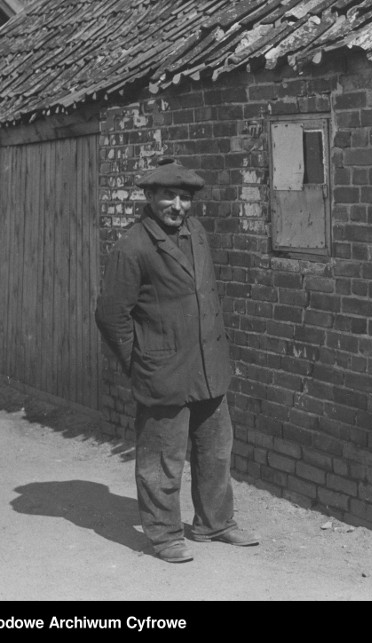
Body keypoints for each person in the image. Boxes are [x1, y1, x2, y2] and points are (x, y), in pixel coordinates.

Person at [95, 158, 259, 563]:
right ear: (150, 197)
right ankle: (164, 535)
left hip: (208, 367)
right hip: (163, 372)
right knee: (162, 460)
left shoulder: (196, 233)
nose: (178, 206)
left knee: (217, 450)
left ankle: (214, 523)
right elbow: (111, 315)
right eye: (168, 196)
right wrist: (140, 361)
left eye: (184, 198)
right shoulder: (133, 246)